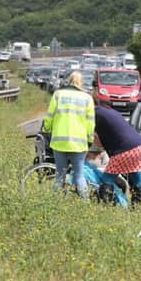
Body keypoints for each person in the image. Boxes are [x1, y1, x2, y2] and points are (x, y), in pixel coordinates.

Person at [42, 71, 95, 199]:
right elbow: (90, 122)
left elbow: (50, 116)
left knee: (60, 175)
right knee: (79, 175)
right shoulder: (87, 98)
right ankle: (84, 204)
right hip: (79, 144)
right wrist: (90, 139)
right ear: (81, 82)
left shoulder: (58, 95)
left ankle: (55, 204)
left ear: (69, 81)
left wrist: (46, 128)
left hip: (59, 143)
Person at [92, 89, 141, 208]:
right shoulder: (109, 111)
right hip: (140, 145)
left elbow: (96, 139)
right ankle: (137, 209)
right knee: (137, 178)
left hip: (125, 148)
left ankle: (106, 208)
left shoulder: (95, 113)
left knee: (107, 178)